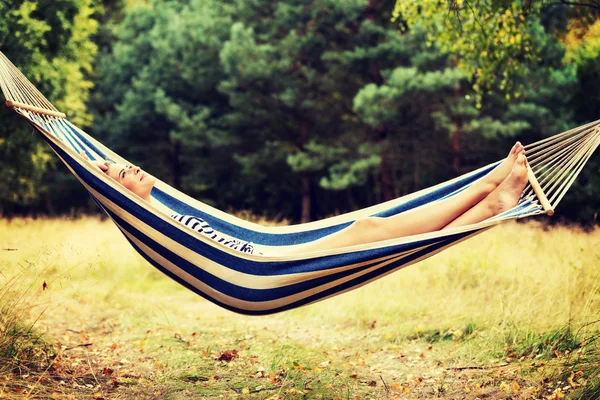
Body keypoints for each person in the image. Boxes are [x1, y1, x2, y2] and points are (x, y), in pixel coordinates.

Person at [81, 142, 529, 255]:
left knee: (370, 228)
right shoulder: (151, 217)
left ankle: (489, 202)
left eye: (130, 165)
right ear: (121, 192)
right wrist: (98, 172)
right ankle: (485, 191)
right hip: (263, 269)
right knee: (368, 229)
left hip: (266, 253)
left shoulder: (164, 207)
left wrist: (107, 168)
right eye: (126, 173)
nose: (135, 168)